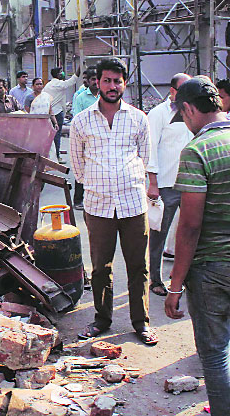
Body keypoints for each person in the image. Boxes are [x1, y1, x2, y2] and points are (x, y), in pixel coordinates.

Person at [164, 75, 230, 416]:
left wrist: (175, 285)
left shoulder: (197, 151)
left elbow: (190, 226)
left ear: (190, 109)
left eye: (183, 116)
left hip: (213, 271)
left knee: (214, 355)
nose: (185, 124)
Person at [69, 58, 157, 345]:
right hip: (98, 206)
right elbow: (77, 164)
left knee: (138, 267)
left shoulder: (137, 118)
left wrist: (131, 180)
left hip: (133, 204)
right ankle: (102, 319)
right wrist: (96, 183)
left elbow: (146, 158)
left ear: (124, 84)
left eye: (117, 81)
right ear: (98, 82)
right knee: (100, 267)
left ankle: (140, 322)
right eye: (107, 80)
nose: (112, 86)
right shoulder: (82, 121)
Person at [146, 73, 193, 297]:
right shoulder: (158, 115)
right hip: (166, 183)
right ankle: (155, 279)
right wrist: (153, 183)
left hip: (192, 183)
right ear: (172, 91)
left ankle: (185, 277)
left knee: (192, 231)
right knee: (159, 234)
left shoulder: (194, 112)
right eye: (183, 88)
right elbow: (150, 149)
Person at [71, 68, 99, 210]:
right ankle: (78, 200)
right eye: (92, 79)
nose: (95, 82)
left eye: (97, 79)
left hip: (101, 140)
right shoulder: (80, 98)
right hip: (85, 139)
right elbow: (76, 118)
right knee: (82, 169)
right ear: (87, 81)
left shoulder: (104, 97)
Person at [44, 66, 81, 161]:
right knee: (56, 135)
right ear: (57, 74)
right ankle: (56, 156)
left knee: (51, 135)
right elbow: (72, 80)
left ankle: (51, 155)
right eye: (61, 72)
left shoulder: (49, 84)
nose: (63, 73)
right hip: (56, 112)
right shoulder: (58, 84)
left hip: (50, 112)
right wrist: (79, 67)